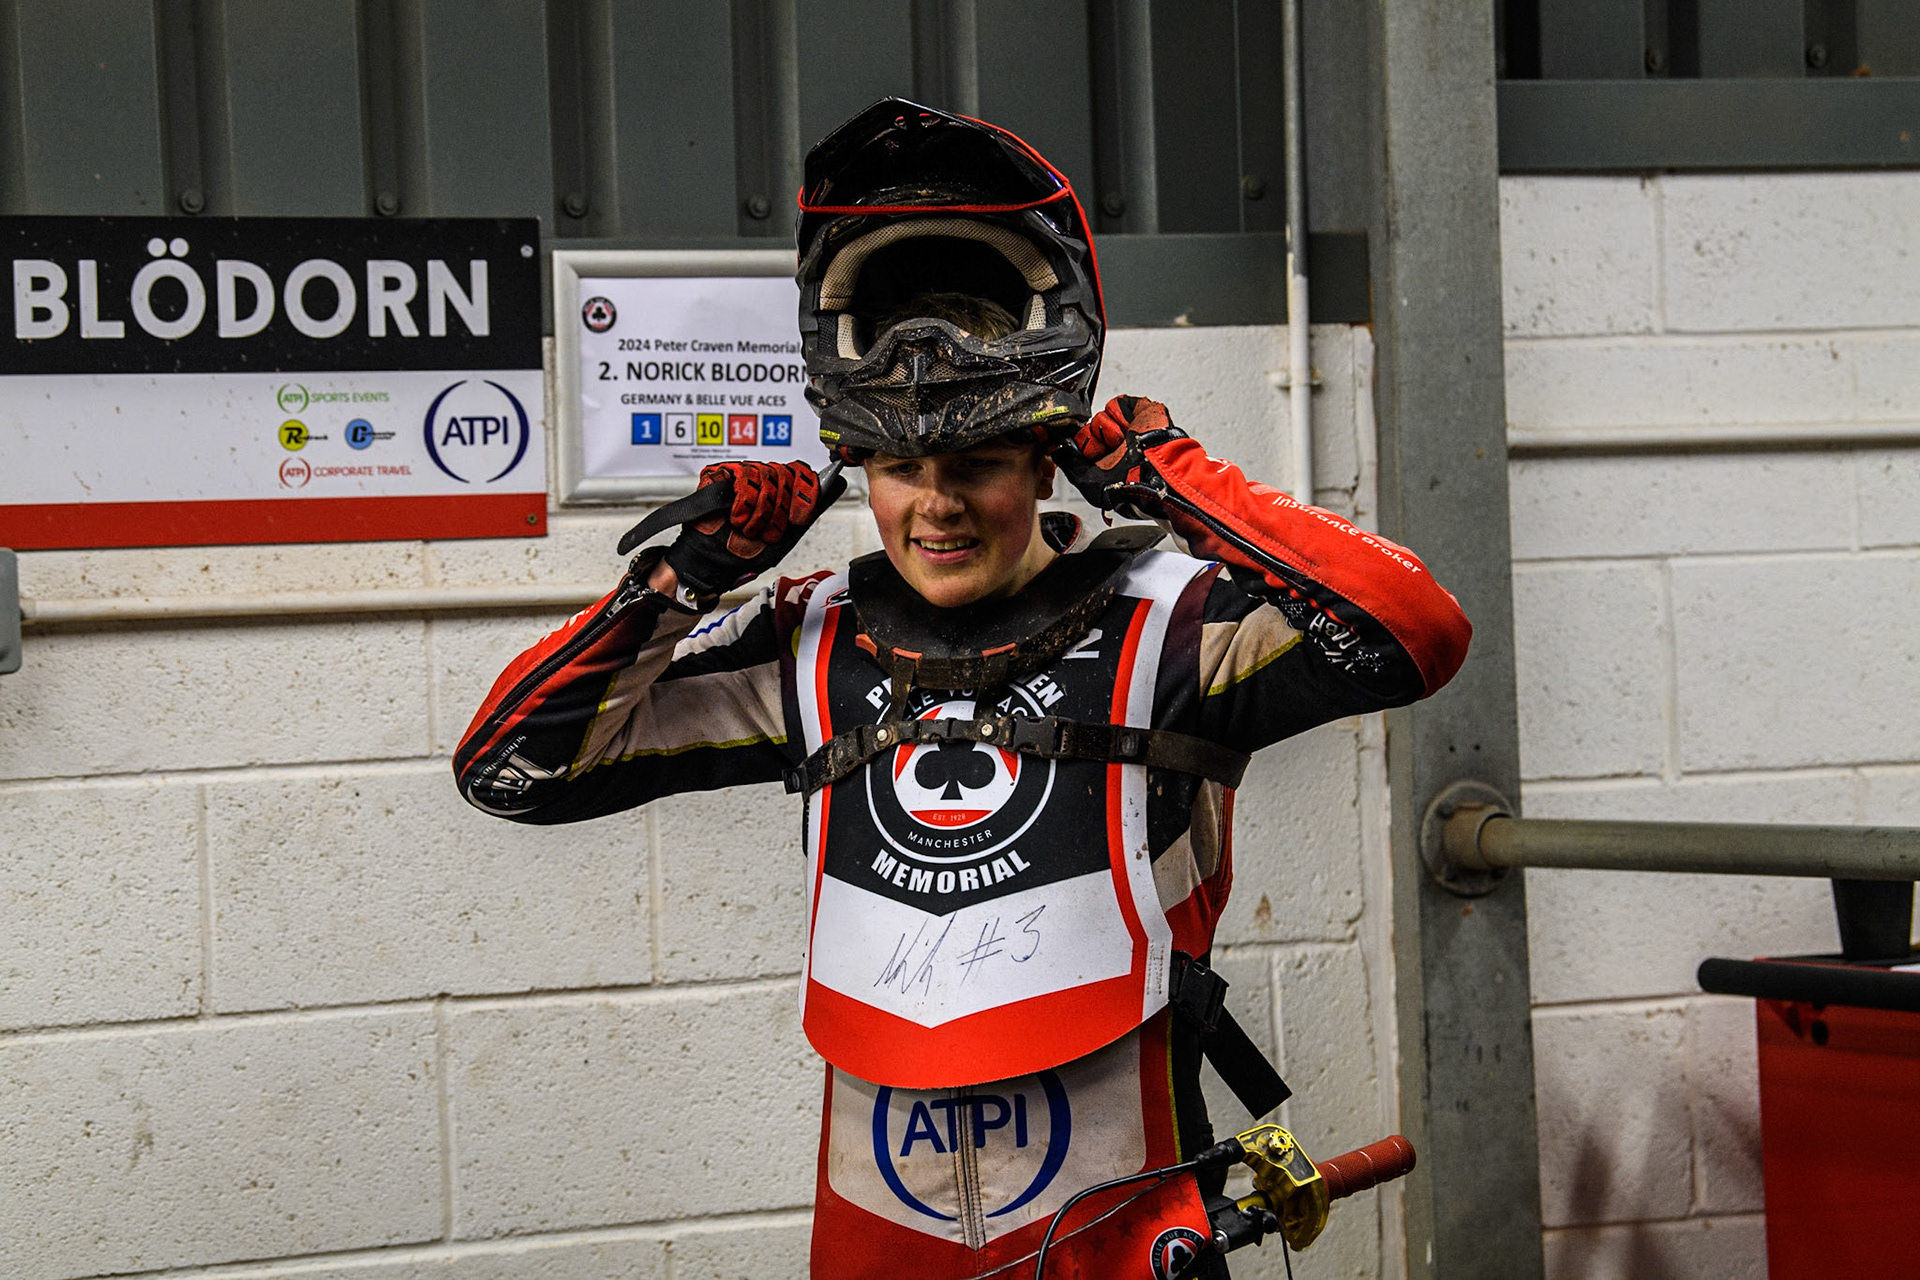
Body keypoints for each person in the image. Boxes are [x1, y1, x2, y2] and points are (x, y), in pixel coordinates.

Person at [454, 98, 1471, 1279]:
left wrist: (1175, 477)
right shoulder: (811, 639)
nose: (935, 504)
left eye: (977, 465)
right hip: (877, 1229)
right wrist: (678, 580)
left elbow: (1415, 629)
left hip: (1120, 1224)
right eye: (899, 467)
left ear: (1046, 455)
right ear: (863, 469)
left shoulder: (1174, 623)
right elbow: (510, 768)